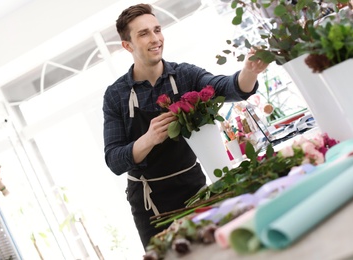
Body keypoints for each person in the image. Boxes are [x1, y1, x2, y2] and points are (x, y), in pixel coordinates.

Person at [102, 3, 268, 249]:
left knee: (216, 250)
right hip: (150, 204)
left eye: (157, 30)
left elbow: (223, 87)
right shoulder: (116, 95)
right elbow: (114, 160)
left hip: (194, 188)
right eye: (144, 33)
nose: (155, 38)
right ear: (128, 45)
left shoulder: (184, 75)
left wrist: (249, 72)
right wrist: (148, 139)